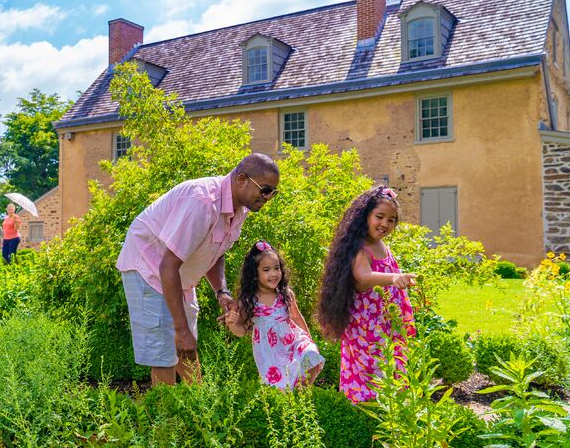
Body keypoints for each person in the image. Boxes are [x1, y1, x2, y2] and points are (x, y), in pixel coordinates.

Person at [116, 153, 280, 386]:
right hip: (149, 269)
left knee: (188, 349)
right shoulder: (203, 202)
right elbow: (168, 264)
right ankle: (167, 419)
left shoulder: (239, 209)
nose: (268, 197)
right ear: (242, 179)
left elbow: (216, 251)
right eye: (265, 190)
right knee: (166, 352)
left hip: (178, 277)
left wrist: (221, 291)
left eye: (273, 193)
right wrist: (180, 330)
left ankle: (198, 411)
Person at [317, 186, 417, 403]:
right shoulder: (360, 248)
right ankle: (367, 415)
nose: (385, 224)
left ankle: (390, 411)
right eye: (379, 217)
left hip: (387, 324)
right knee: (370, 373)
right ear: (365, 217)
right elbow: (362, 276)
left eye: (391, 220)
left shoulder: (382, 246)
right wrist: (392, 278)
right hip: (367, 327)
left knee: (393, 372)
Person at [224, 241, 324, 389]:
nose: (274, 274)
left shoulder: (285, 294)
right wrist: (232, 324)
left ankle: (302, 394)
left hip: (292, 341)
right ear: (254, 274)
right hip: (269, 351)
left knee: (311, 354)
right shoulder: (249, 300)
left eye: (276, 268)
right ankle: (291, 401)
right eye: (266, 270)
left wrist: (309, 340)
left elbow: (297, 317)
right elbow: (241, 330)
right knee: (280, 386)